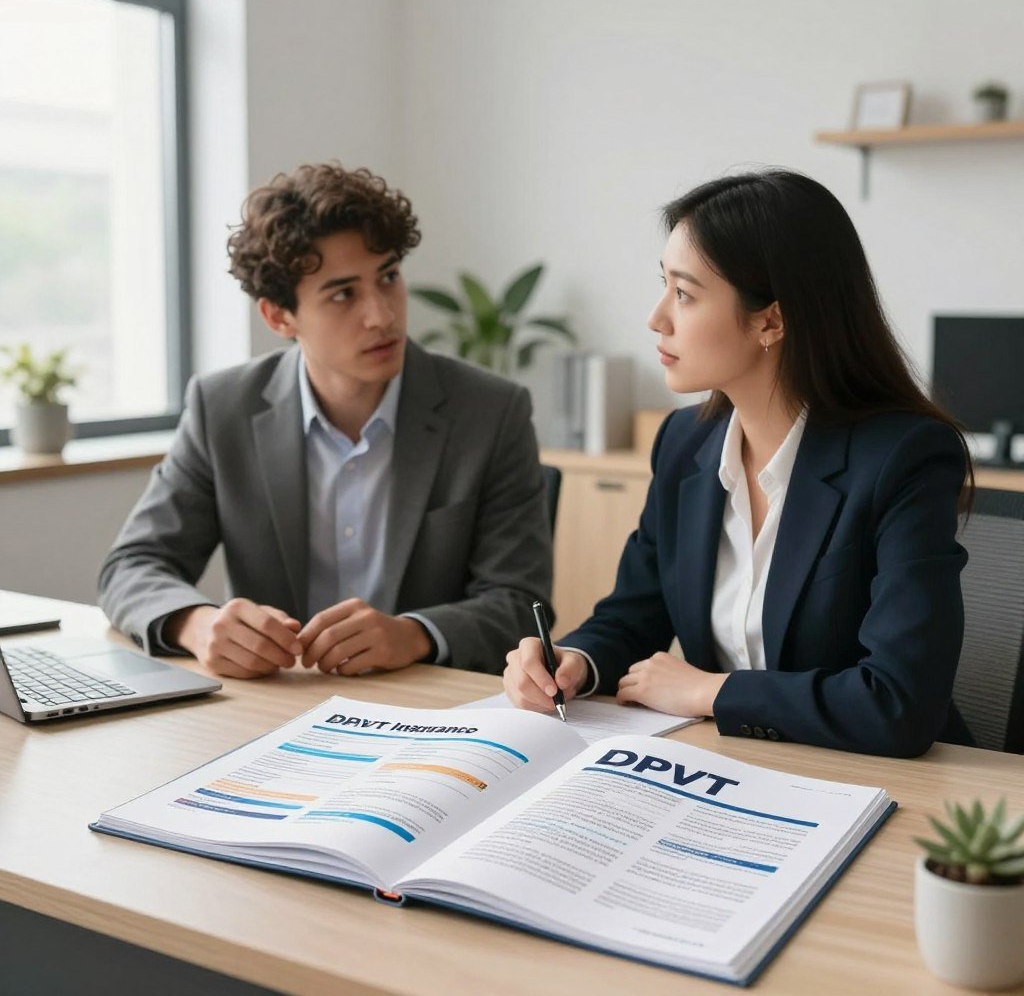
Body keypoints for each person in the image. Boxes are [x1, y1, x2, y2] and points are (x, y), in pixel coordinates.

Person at [504, 168, 974, 758]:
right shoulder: (684, 443)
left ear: (770, 321)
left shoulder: (903, 457)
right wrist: (575, 662)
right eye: (664, 286)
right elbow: (633, 614)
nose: (657, 318)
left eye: (685, 293)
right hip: (730, 768)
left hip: (883, 785)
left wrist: (711, 692)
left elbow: (897, 702)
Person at [99, 162, 552, 679]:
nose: (381, 314)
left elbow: (521, 602)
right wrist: (196, 624)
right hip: (276, 705)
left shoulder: (490, 411)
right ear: (279, 317)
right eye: (343, 294)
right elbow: (131, 566)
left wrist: (414, 633)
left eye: (388, 278)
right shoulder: (222, 408)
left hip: (429, 706)